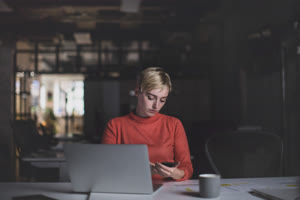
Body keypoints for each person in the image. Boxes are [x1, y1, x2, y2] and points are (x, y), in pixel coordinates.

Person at [102, 67, 193, 181]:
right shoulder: (115, 126)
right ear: (137, 92)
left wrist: (175, 173)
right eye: (151, 98)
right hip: (128, 187)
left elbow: (187, 167)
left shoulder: (174, 124)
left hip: (166, 190)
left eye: (162, 100)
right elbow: (106, 168)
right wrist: (142, 170)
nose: (156, 106)